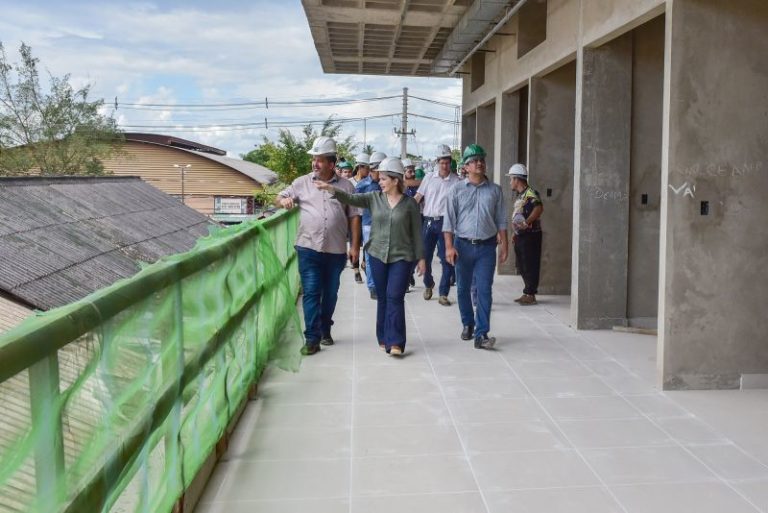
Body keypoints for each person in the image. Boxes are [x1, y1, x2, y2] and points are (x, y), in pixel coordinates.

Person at [315, 157, 426, 356]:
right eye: (380, 178)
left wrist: (422, 258)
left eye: (384, 179)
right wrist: (331, 189)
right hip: (376, 254)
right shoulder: (374, 197)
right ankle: (383, 336)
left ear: (395, 180)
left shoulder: (410, 204)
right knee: (383, 297)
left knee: (395, 297)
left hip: (402, 256)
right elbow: (352, 199)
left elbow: (417, 233)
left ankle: (396, 342)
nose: (380, 182)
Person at [275, 136, 362, 356]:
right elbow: (281, 196)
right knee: (312, 293)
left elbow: (354, 217)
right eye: (314, 159)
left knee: (330, 293)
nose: (315, 163)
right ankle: (312, 338)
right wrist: (283, 200)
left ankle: (325, 328)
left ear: (332, 164)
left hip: (335, 250)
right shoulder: (301, 182)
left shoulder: (346, 186)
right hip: (308, 247)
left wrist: (355, 247)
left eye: (320, 160)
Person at [444, 144, 508, 349]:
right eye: (473, 160)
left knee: (484, 290)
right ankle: (468, 324)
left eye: (481, 159)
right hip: (462, 246)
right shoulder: (456, 190)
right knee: (462, 289)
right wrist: (448, 247)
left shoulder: (495, 190)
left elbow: (502, 221)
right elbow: (448, 222)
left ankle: (482, 334)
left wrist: (505, 245)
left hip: (487, 248)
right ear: (465, 166)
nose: (479, 163)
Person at [414, 144, 461, 306]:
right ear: (437, 162)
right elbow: (418, 197)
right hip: (428, 221)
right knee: (424, 256)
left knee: (446, 258)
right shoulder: (428, 178)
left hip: (446, 224)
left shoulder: (457, 182)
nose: (444, 165)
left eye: (447, 162)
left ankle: (443, 293)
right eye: (442, 162)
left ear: (450, 162)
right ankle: (428, 284)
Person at [508, 163, 544, 305]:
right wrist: (515, 233)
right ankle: (527, 292)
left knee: (530, 264)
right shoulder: (521, 195)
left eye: (511, 179)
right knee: (522, 264)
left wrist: (527, 222)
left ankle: (530, 294)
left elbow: (539, 208)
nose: (510, 182)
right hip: (521, 235)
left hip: (531, 235)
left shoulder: (531, 193)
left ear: (517, 179)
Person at [356, 151, 386, 299]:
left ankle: (382, 283)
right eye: (374, 169)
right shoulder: (362, 185)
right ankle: (373, 287)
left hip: (387, 224)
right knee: (369, 257)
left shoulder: (389, 184)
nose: (376, 173)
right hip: (368, 224)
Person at [348, 153, 371, 284]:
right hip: (354, 216)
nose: (368, 171)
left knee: (367, 243)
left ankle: (364, 263)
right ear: (359, 167)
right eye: (366, 168)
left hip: (367, 216)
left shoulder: (370, 182)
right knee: (354, 242)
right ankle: (356, 270)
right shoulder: (350, 183)